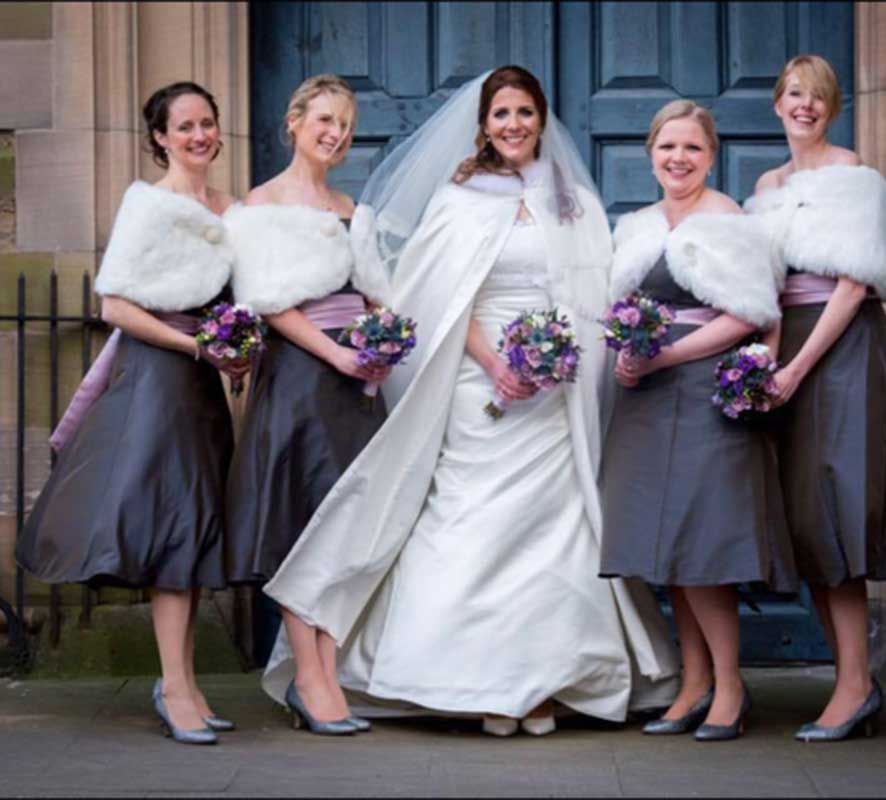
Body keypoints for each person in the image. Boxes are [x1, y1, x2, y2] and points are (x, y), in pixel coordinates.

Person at [261, 65, 680, 737]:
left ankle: (544, 684)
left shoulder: (569, 197)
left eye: (523, 112)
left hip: (551, 391)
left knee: (553, 530)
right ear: (483, 124)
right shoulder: (459, 198)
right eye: (500, 114)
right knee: (468, 521)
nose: (512, 125)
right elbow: (436, 295)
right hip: (475, 378)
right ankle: (475, 684)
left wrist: (551, 359)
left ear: (541, 117)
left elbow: (586, 291)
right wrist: (497, 361)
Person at [15, 81, 248, 745]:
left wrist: (231, 352)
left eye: (207, 123)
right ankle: (174, 688)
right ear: (159, 139)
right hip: (158, 381)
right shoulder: (148, 207)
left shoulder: (229, 209)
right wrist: (195, 345)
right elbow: (114, 304)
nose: (200, 135)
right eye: (185, 128)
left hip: (202, 389)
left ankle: (187, 683)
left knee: (197, 528)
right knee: (174, 530)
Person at [746, 54, 886, 741]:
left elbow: (852, 285)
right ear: (776, 104)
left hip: (841, 352)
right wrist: (765, 364)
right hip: (789, 357)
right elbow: (767, 288)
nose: (805, 106)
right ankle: (853, 682)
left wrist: (799, 367)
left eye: (818, 97)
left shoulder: (855, 178)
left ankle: (852, 685)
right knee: (806, 516)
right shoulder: (765, 186)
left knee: (839, 509)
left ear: (831, 108)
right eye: (794, 94)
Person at [599, 99, 797, 742]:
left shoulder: (729, 220)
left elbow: (750, 314)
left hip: (705, 395)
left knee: (704, 549)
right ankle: (691, 684)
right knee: (669, 550)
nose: (678, 159)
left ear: (711, 157)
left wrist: (667, 356)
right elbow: (623, 314)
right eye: (667, 147)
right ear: (650, 154)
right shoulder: (635, 226)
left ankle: (731, 688)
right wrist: (629, 360)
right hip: (647, 402)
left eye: (691, 148)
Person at [223, 75, 392, 735]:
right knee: (300, 520)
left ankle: (321, 664)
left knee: (343, 525)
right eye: (324, 119)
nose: (335, 134)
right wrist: (337, 353)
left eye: (345, 125)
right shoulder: (259, 206)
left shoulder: (350, 206)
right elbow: (271, 302)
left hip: (356, 385)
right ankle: (310, 674)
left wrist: (380, 340)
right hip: (301, 378)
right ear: (293, 122)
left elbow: (373, 294)